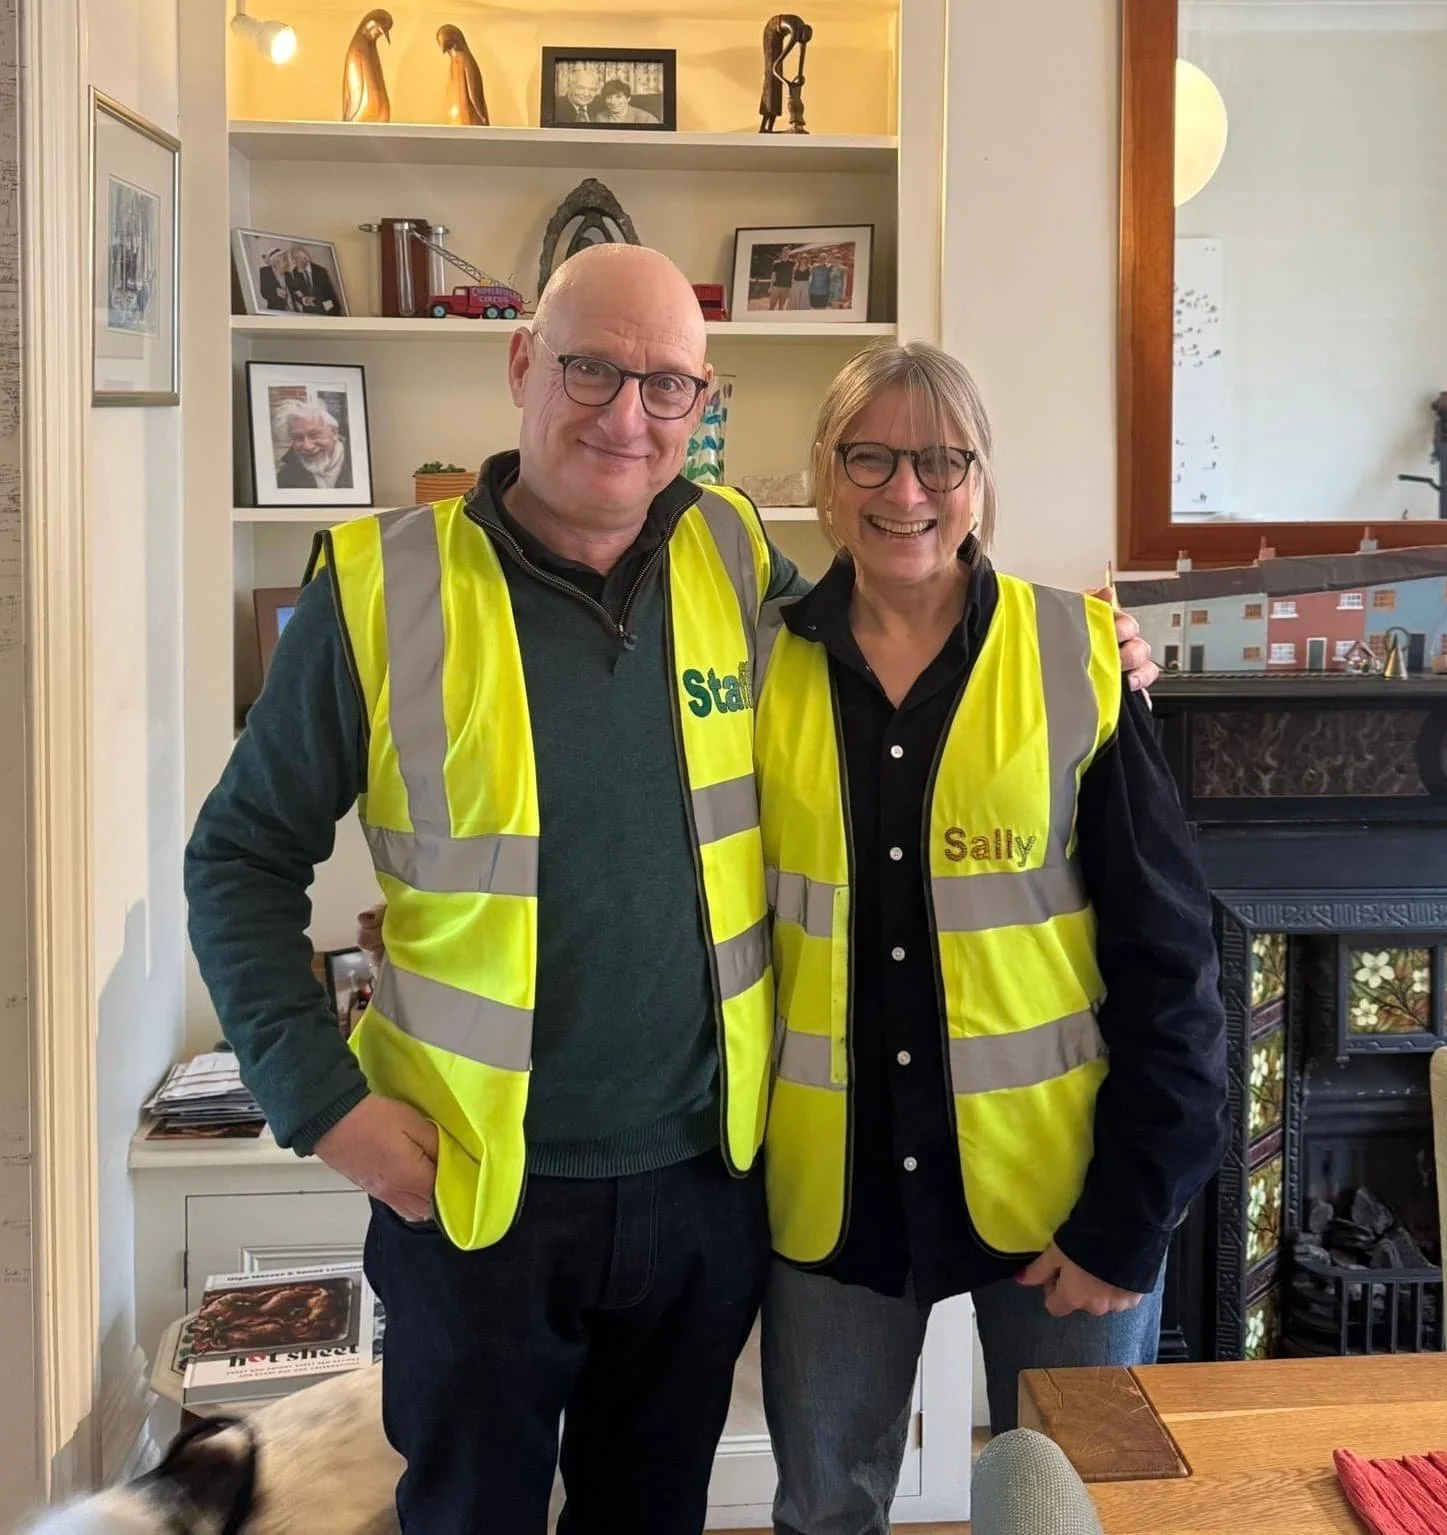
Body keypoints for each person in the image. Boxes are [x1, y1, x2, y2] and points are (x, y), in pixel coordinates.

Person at [186, 244, 1158, 1535]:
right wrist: (323, 1102)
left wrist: (1083, 641)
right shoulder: (379, 592)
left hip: (701, 1192)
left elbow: (903, 607)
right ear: (522, 364)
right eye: (590, 368)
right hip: (480, 1198)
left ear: (702, 414)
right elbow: (236, 859)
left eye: (665, 386)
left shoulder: (729, 554)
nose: (623, 413)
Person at [750, 342, 1228, 1535]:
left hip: (1065, 1196)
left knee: (1082, 1510)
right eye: (871, 454)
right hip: (831, 1199)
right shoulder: (755, 662)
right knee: (822, 1513)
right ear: (825, 468)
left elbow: (1169, 963)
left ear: (980, 477)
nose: (905, 492)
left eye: (940, 459)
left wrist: (1130, 1219)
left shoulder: (1077, 654)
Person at [272, 398, 353, 490]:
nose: (307, 446)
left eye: (314, 435)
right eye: (298, 438)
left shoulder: (360, 463)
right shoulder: (286, 476)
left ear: (334, 433)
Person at [284, 245, 342, 315]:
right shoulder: (294, 273)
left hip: (325, 311)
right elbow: (294, 293)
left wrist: (331, 310)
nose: (294, 262)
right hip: (308, 315)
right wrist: (304, 300)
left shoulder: (321, 271)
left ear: (304, 258)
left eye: (296, 258)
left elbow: (330, 294)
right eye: (293, 259)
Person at [594, 78, 660, 124]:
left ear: (628, 98)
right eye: (609, 97)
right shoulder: (600, 117)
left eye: (618, 97)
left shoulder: (647, 119)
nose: (613, 102)